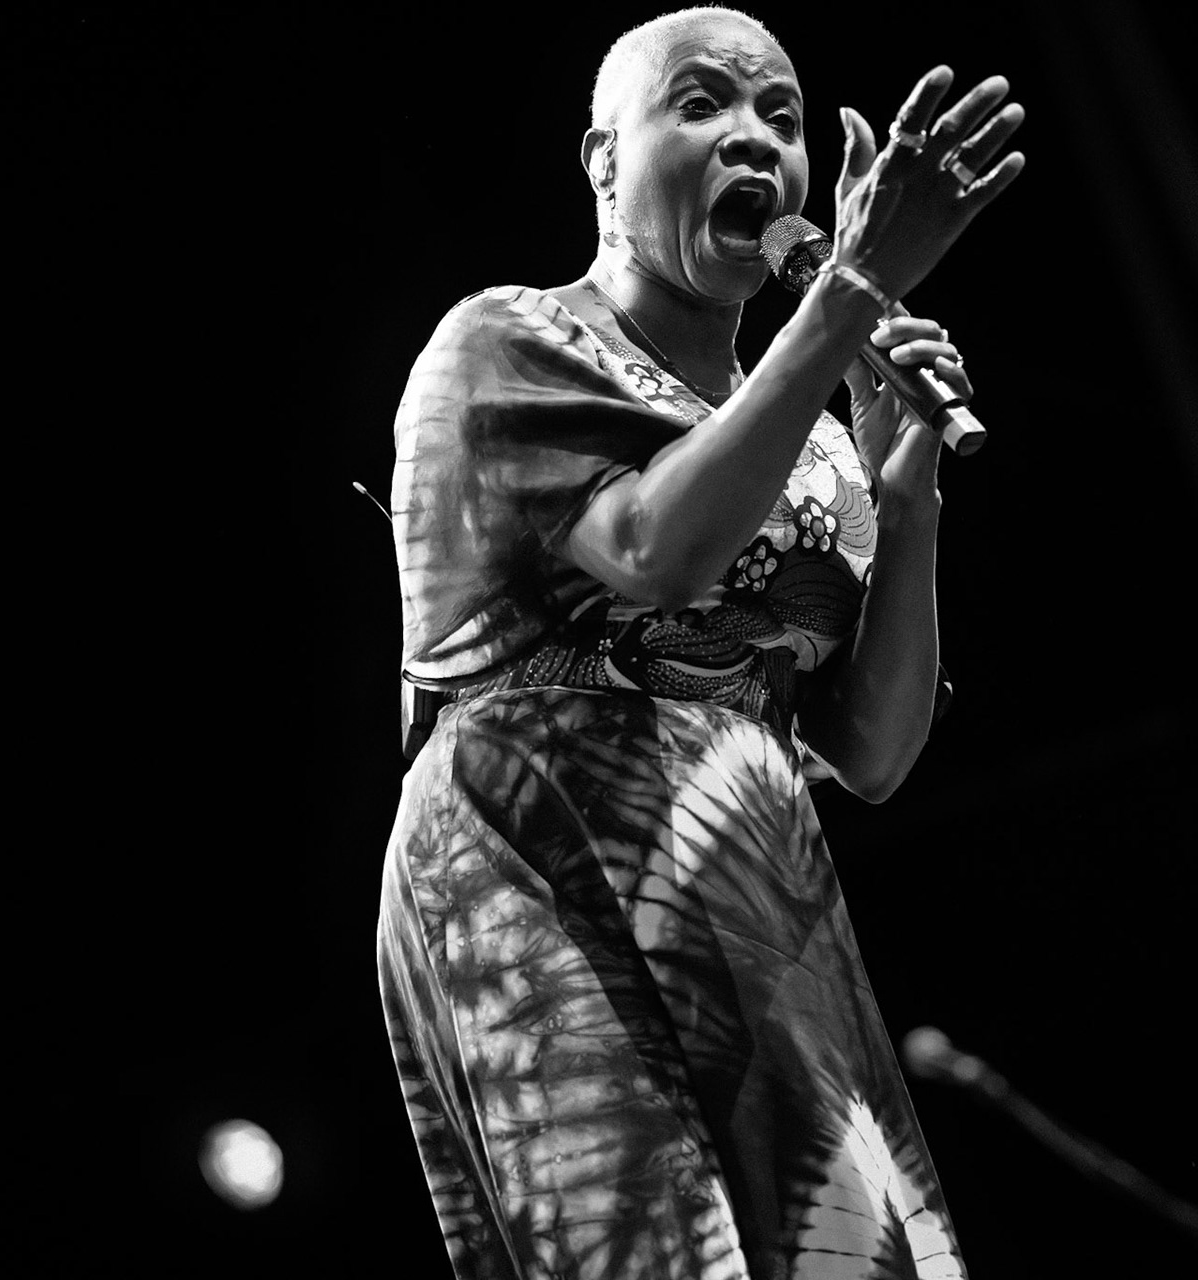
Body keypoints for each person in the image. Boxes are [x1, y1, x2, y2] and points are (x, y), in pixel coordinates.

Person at [376, 8, 1023, 1277]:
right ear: (602, 160)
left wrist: (904, 488)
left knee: (833, 1245)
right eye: (701, 104)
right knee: (655, 1239)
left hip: (750, 863)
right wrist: (845, 302)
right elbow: (653, 550)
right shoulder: (506, 340)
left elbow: (874, 751)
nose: (755, 142)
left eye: (781, 119)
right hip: (540, 832)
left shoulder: (816, 446)